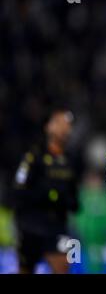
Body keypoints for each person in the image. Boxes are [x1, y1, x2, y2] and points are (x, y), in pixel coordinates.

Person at [11, 108, 81, 274]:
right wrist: (48, 195)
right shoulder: (34, 157)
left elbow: (74, 197)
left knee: (64, 265)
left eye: (68, 125)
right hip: (31, 225)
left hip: (58, 226)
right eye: (60, 123)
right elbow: (18, 190)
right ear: (48, 127)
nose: (65, 129)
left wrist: (70, 202)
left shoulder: (71, 160)